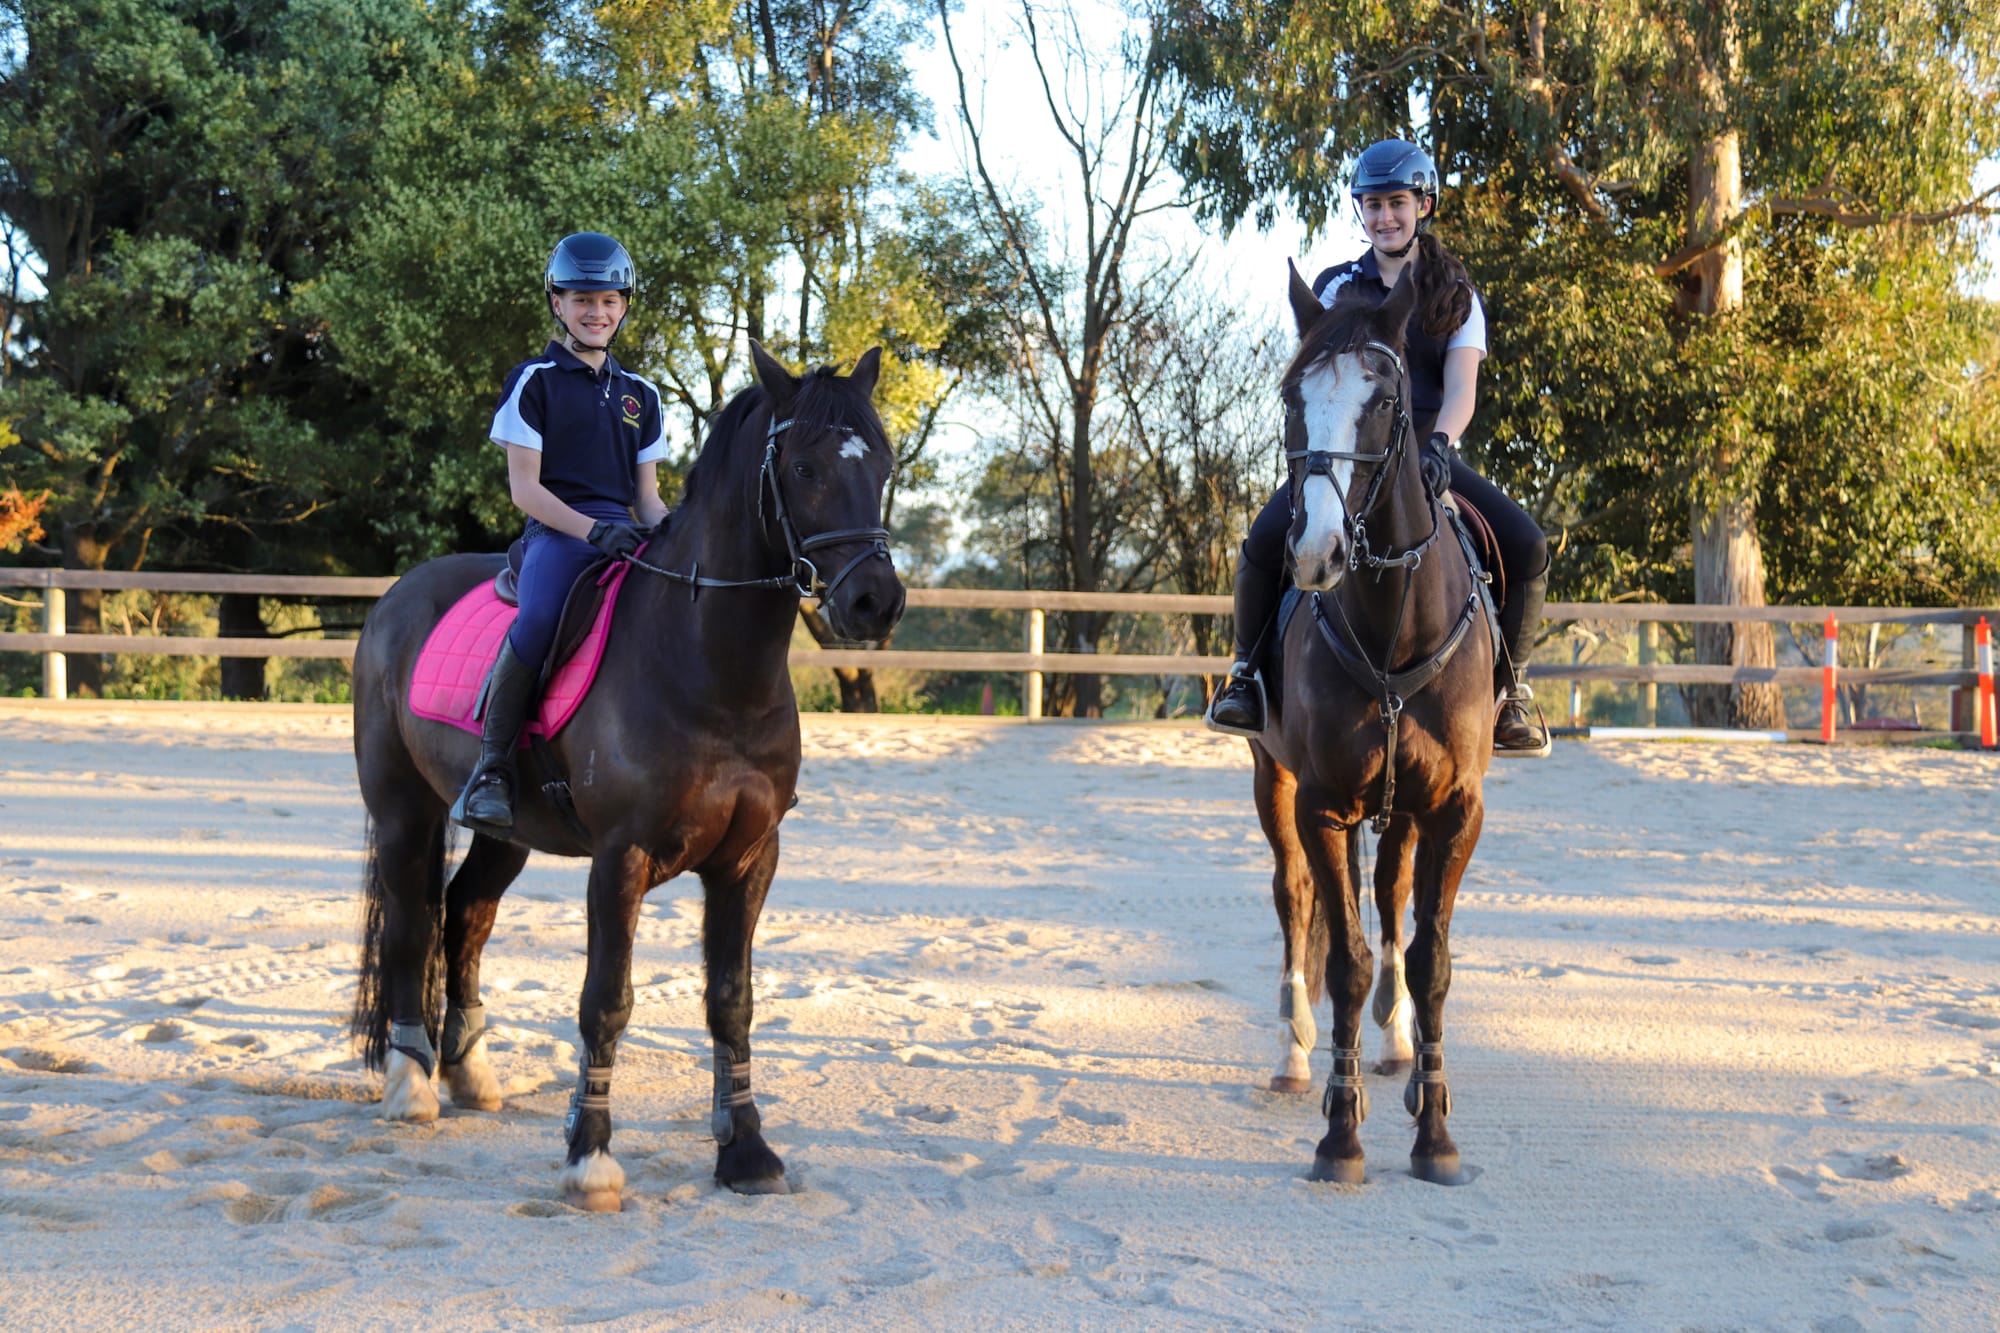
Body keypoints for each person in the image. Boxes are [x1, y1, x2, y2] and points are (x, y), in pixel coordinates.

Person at [1206, 138, 1551, 755]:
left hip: (1425, 456)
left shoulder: (1456, 295)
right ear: (1360, 213)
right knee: (1262, 542)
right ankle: (1247, 677)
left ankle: (1511, 693)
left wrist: (1441, 445)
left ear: (1423, 204)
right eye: (1372, 205)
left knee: (1526, 545)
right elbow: (1323, 383)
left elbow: (1461, 387)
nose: (1384, 216)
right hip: (1348, 460)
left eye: (1397, 202)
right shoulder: (1338, 288)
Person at [451, 232, 672, 835]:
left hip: (626, 535)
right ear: (557, 304)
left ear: (624, 306)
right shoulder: (535, 381)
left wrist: (675, 536)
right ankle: (492, 769)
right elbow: (525, 489)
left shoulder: (642, 395)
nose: (594, 312)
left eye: (606, 301)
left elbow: (647, 499)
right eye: (580, 300)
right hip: (559, 534)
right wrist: (593, 531)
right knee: (542, 617)